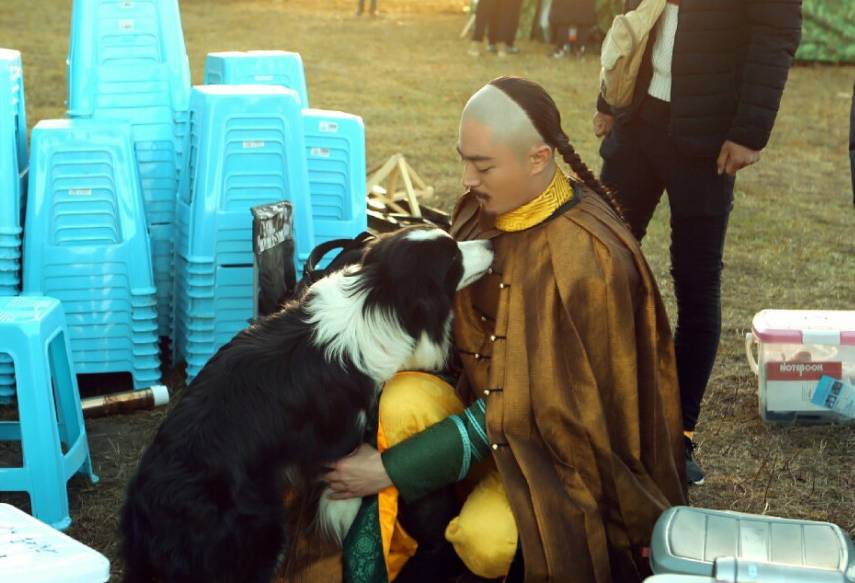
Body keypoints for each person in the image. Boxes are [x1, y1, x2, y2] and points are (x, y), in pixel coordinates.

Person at [325, 76, 687, 583]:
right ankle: (431, 530)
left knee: (484, 542)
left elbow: (540, 415)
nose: (467, 178)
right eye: (464, 159)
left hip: (556, 461)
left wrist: (388, 470)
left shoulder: (588, 260)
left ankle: (476, 539)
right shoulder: (483, 207)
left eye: (482, 165)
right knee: (401, 400)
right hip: (488, 425)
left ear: (538, 158)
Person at [593, 0, 803, 485]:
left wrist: (750, 132)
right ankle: (597, 409)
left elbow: (777, 33)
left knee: (695, 284)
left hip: (708, 139)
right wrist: (610, 96)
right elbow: (633, 11)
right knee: (600, 263)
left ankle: (679, 432)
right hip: (638, 123)